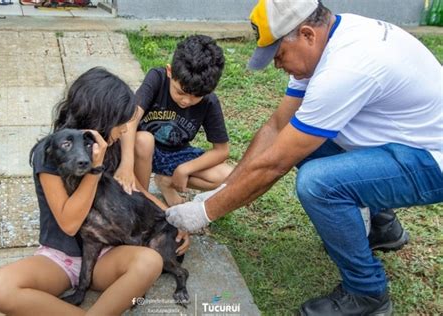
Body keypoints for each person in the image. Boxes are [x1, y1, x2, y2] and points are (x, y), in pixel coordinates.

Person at [165, 0, 443, 315]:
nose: (276, 65)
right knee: (302, 141)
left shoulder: (344, 68)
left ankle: (367, 294)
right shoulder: (330, 40)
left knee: (318, 184)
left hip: (432, 159)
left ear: (307, 34)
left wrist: (204, 212)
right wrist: (226, 187)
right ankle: (382, 227)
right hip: (406, 140)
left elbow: (275, 164)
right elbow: (277, 126)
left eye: (279, 55)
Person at [0, 67, 189, 315]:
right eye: (120, 123)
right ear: (101, 119)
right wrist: (94, 170)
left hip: (109, 254)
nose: (124, 130)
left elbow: (135, 191)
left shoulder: (109, 143)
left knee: (150, 261)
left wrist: (173, 220)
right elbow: (69, 224)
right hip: (61, 258)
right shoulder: (51, 153)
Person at [117, 35, 233, 206]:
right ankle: (141, 200)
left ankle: (165, 182)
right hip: (141, 151)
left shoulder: (209, 101)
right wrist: (126, 164)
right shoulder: (157, 78)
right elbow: (130, 120)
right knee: (144, 140)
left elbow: (221, 151)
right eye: (180, 92)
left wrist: (185, 169)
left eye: (196, 97)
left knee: (227, 176)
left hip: (176, 154)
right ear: (170, 72)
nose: (186, 101)